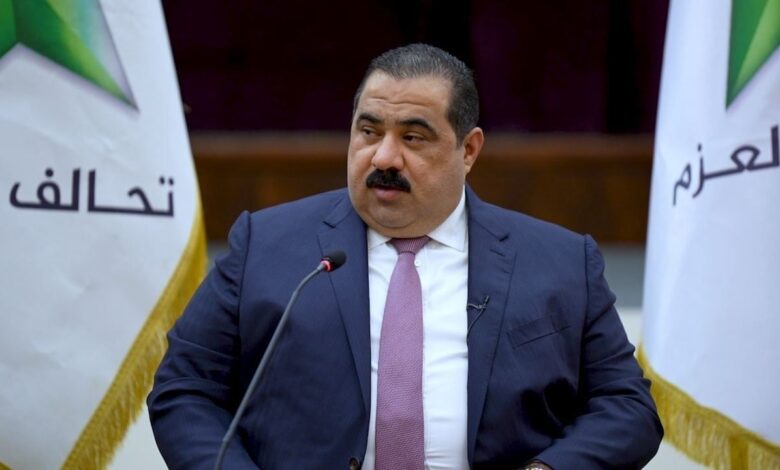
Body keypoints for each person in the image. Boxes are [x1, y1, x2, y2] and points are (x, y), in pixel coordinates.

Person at [148, 43, 663, 469]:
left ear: (468, 150)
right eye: (369, 131)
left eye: (413, 137)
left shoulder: (560, 261)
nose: (384, 157)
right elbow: (184, 389)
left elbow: (627, 407)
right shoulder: (266, 245)